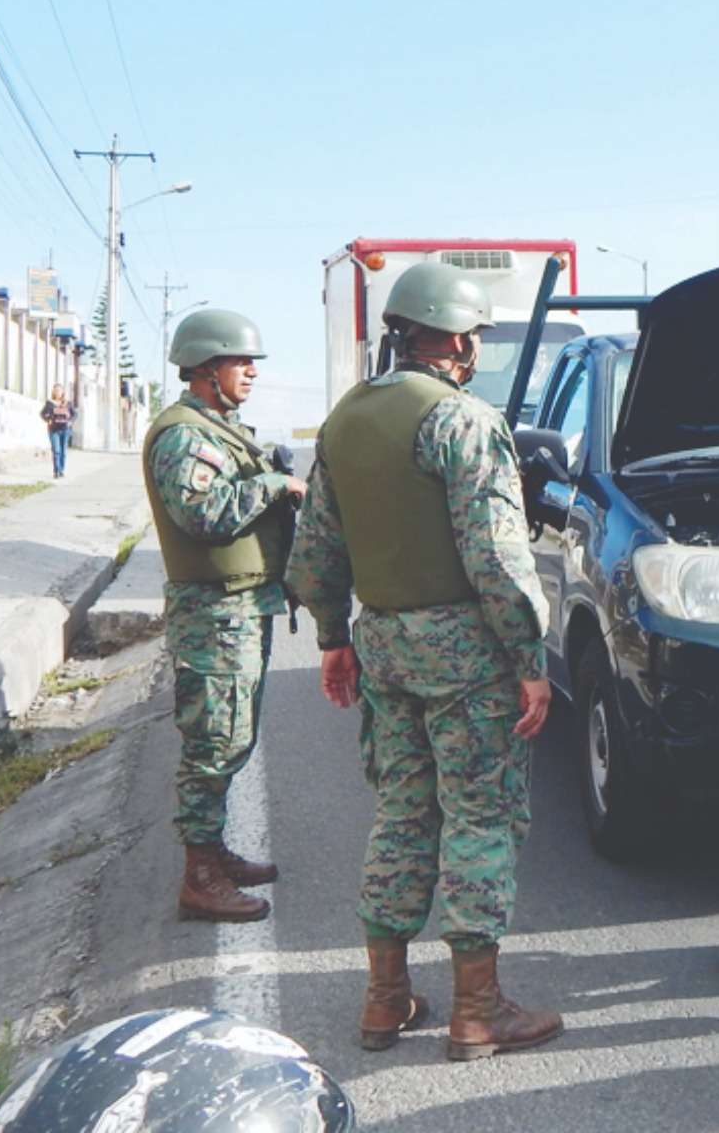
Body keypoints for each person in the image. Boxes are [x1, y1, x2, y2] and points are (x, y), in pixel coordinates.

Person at [289, 261, 562, 1060]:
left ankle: (384, 998)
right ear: (457, 337)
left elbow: (315, 551)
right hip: (467, 656)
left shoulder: (344, 420)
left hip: (385, 647)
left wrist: (333, 636)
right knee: (479, 818)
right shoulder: (463, 420)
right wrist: (528, 658)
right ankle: (478, 1011)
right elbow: (499, 561)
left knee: (403, 814)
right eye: (474, 334)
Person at [142, 310, 304, 923]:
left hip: (239, 606)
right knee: (213, 742)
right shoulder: (186, 435)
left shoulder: (219, 427)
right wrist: (278, 486)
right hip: (214, 614)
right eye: (241, 361)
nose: (252, 372)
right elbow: (204, 516)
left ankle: (214, 853)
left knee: (233, 737)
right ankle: (200, 875)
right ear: (207, 368)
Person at [40, 384, 75, 479]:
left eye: (59, 390)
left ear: (62, 392)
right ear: (53, 392)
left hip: (65, 430)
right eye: (55, 390)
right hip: (53, 430)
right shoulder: (50, 403)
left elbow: (74, 414)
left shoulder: (68, 403)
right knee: (56, 450)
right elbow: (42, 414)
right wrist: (48, 420)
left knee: (63, 451)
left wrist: (70, 422)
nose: (57, 392)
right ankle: (56, 471)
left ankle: (61, 470)